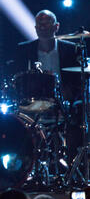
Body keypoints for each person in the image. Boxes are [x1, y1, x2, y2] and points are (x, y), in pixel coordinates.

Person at [9, 10, 81, 158]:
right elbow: (16, 79)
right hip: (33, 104)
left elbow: (80, 81)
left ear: (56, 27)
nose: (42, 27)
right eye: (39, 24)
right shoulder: (24, 49)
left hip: (64, 104)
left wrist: (70, 95)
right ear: (35, 28)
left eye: (47, 23)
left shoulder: (71, 49)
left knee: (80, 112)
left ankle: (73, 161)